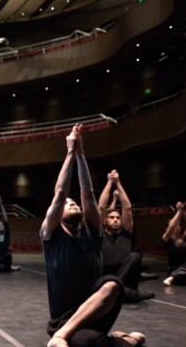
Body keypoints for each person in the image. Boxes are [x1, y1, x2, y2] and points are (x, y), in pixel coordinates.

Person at [40, 124, 145, 347]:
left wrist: (81, 155)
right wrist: (69, 152)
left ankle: (62, 337)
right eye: (69, 204)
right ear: (58, 215)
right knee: (88, 342)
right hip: (63, 319)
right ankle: (122, 340)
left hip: (96, 312)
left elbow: (87, 193)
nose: (73, 203)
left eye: (74, 202)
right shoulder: (51, 236)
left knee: (112, 284)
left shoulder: (92, 231)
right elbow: (60, 193)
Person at [98, 170, 154, 302]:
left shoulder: (126, 234)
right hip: (105, 281)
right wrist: (109, 183)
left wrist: (118, 183)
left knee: (135, 256)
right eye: (111, 217)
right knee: (125, 294)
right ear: (105, 221)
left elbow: (127, 207)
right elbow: (100, 207)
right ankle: (122, 292)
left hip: (125, 283)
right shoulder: (99, 234)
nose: (116, 219)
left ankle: (118, 290)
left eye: (118, 217)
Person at [161, 201, 186, 286]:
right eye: (174, 225)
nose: (176, 227)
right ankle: (172, 277)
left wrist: (184, 212)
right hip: (174, 270)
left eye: (178, 225)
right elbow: (171, 226)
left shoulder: (183, 238)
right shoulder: (166, 239)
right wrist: (179, 211)